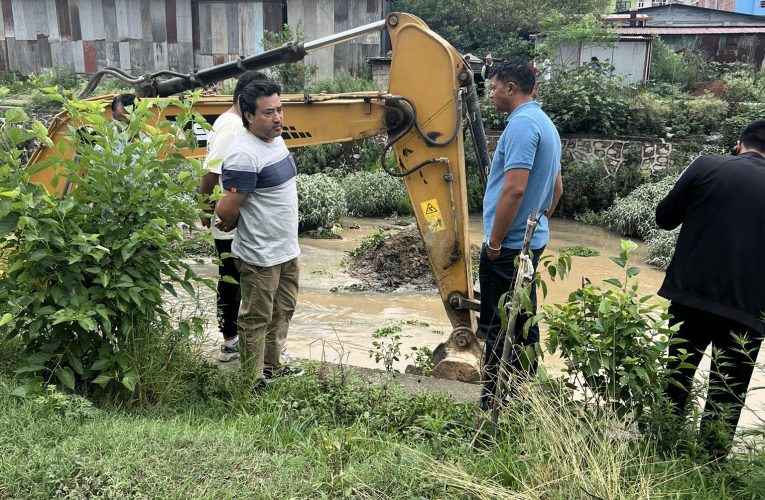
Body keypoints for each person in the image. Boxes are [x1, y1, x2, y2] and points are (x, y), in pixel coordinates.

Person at [656, 119, 765, 456]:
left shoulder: (707, 165)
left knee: (677, 377)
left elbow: (664, 218)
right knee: (727, 394)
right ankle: (710, 462)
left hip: (690, 296)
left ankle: (662, 450)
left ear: (738, 144)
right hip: (748, 308)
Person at [480, 59, 563, 410]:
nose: (491, 94)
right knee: (524, 320)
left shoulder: (521, 126)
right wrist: (539, 220)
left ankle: (494, 404)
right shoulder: (545, 124)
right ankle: (523, 396)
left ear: (511, 88)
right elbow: (557, 188)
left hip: (509, 247)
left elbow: (513, 189)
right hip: (531, 242)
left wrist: (495, 244)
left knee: (499, 326)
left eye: (494, 87)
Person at [215, 77, 301, 386]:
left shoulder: (275, 139)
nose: (277, 118)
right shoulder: (244, 153)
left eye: (279, 109)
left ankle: (272, 367)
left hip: (286, 250)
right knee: (255, 319)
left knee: (282, 311)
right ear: (249, 116)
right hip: (260, 255)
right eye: (268, 112)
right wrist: (232, 222)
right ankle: (251, 382)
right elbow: (226, 209)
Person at [199, 71, 267, 362]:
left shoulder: (230, 124)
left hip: (236, 217)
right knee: (233, 280)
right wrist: (205, 209)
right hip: (230, 219)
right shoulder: (230, 128)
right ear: (243, 101)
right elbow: (211, 174)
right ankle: (230, 341)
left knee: (235, 279)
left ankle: (235, 340)